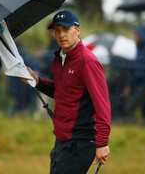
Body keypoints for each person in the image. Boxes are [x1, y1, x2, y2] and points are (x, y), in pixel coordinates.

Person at [25, 10, 111, 174]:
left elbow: (102, 104)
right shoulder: (59, 60)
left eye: (66, 29)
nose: (61, 35)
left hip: (81, 142)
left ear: (77, 30)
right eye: (57, 31)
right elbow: (63, 92)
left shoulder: (87, 61)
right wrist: (37, 81)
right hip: (62, 142)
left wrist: (102, 143)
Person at [122, 25, 145, 120]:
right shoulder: (137, 49)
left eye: (137, 36)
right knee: (144, 109)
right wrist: (129, 85)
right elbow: (133, 70)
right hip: (137, 83)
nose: (135, 38)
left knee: (133, 107)